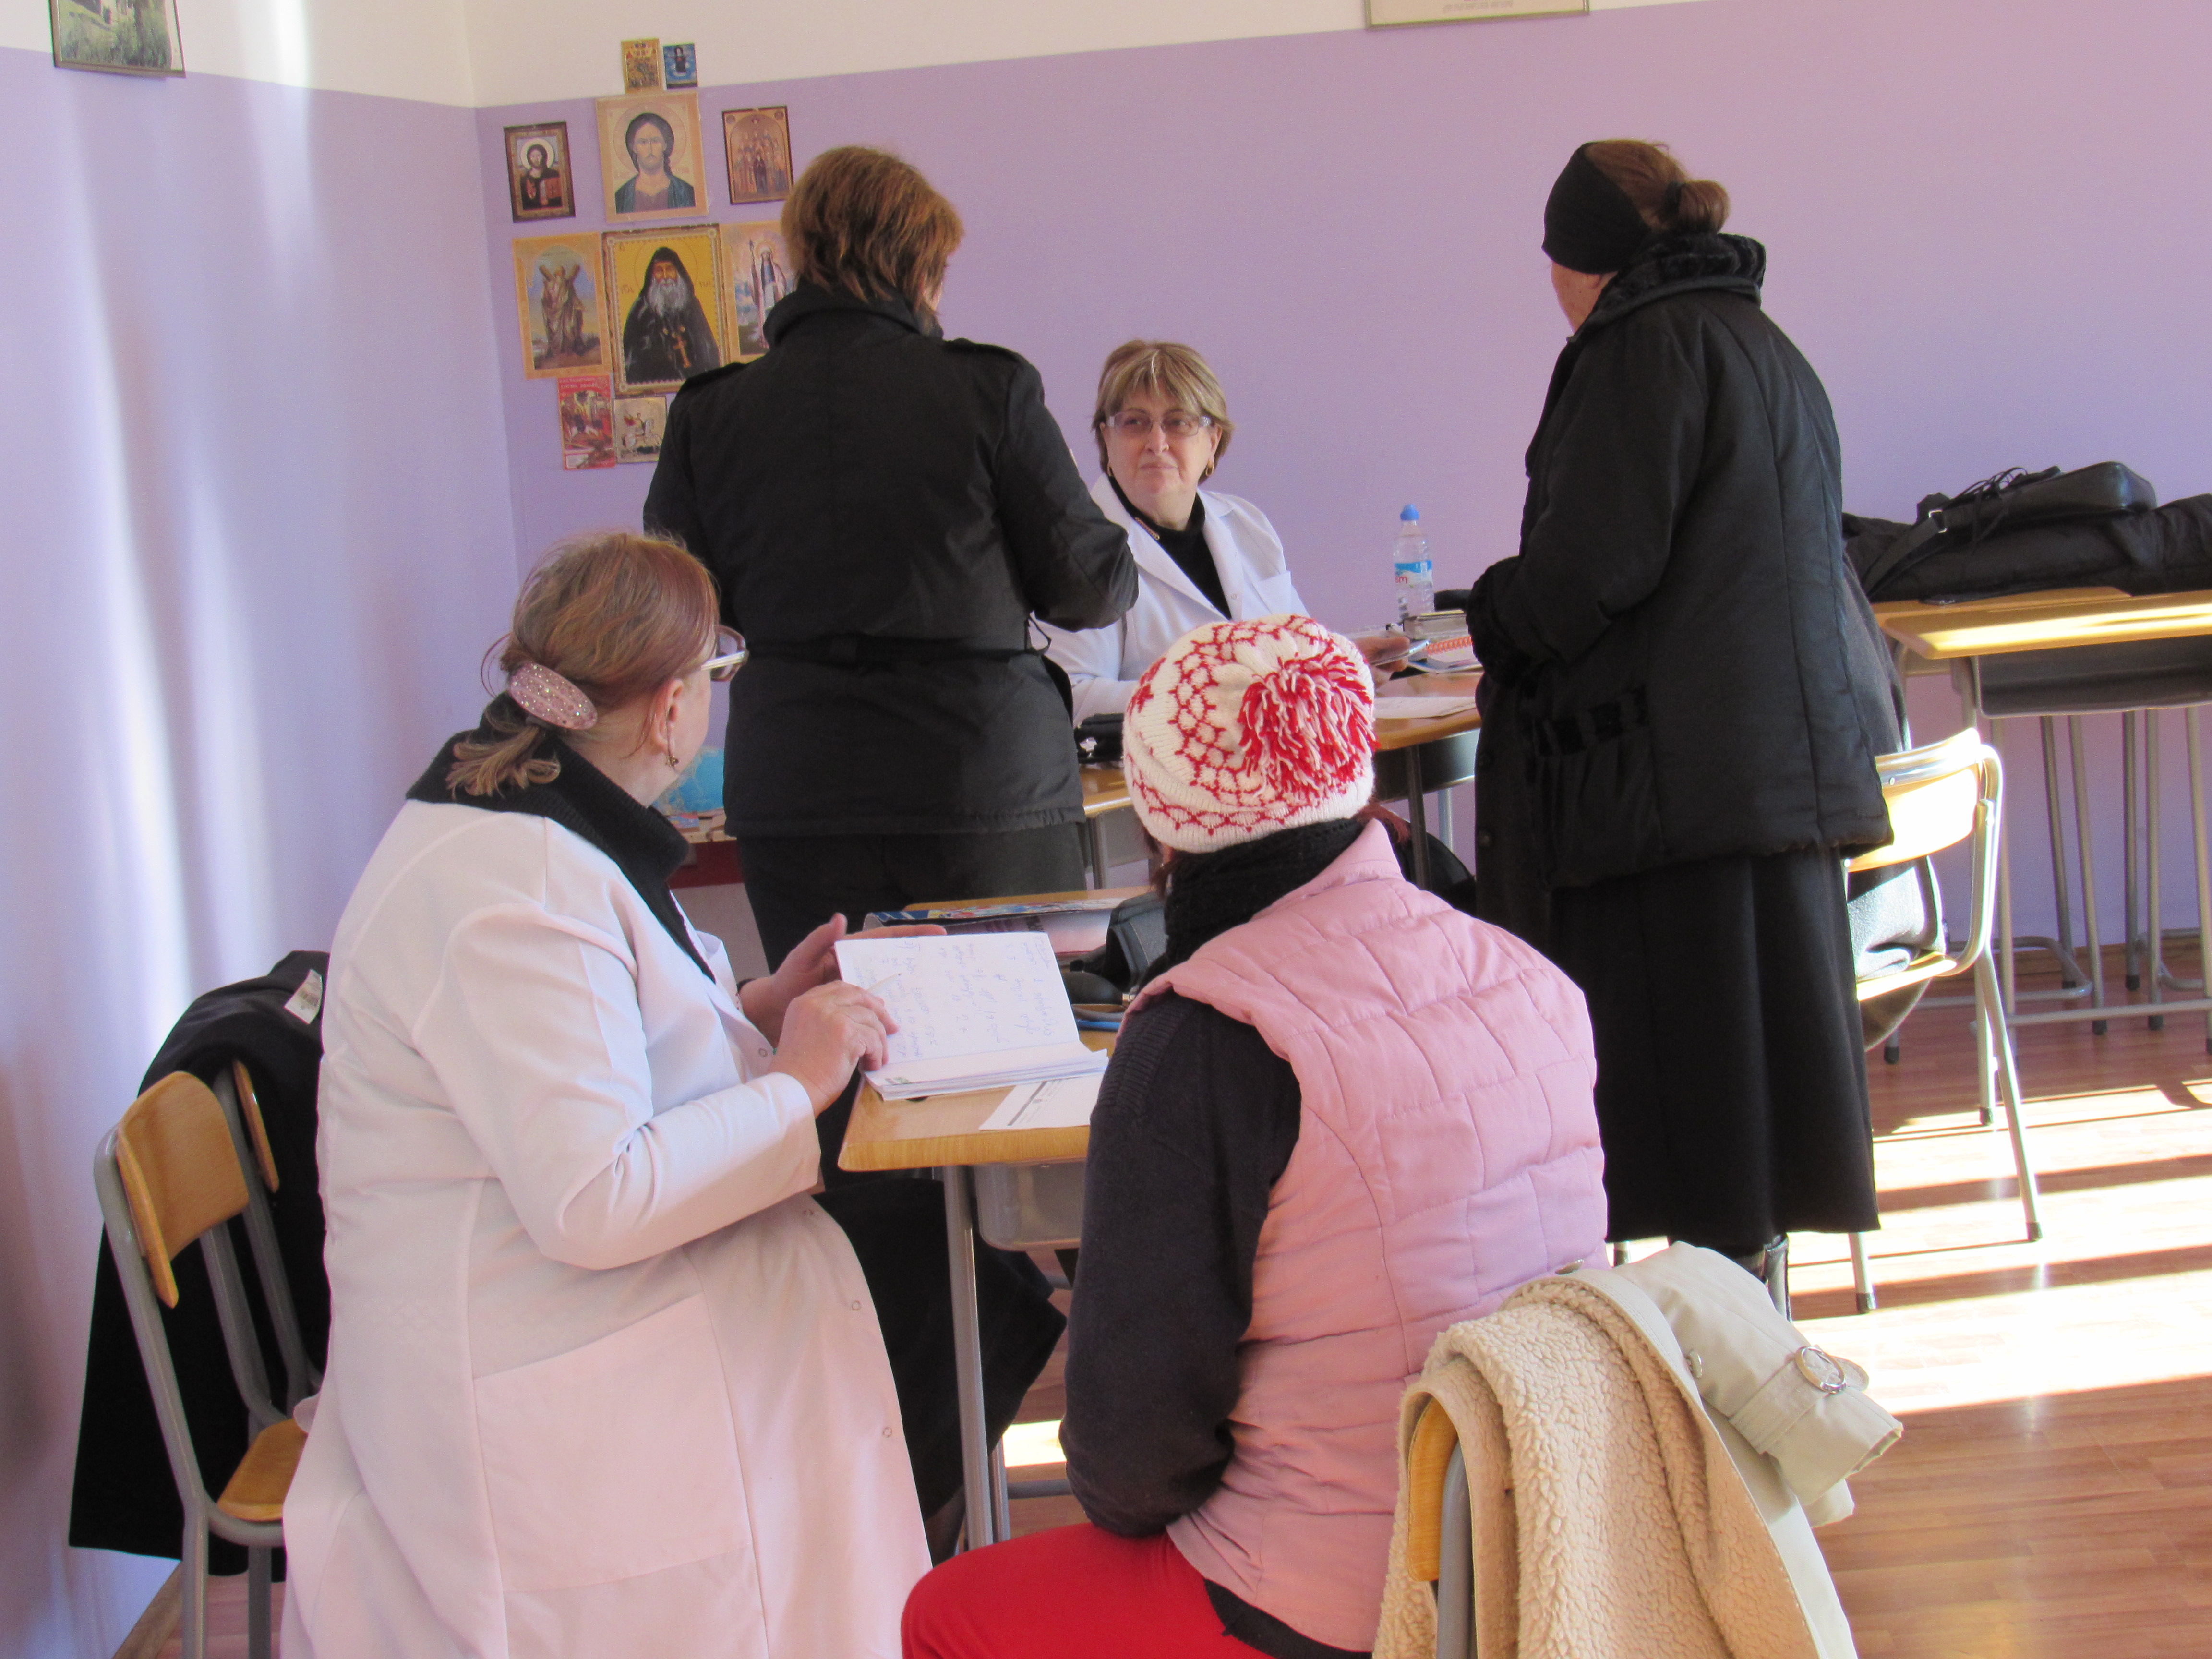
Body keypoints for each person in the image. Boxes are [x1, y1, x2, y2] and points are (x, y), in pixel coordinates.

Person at [901, 616, 1609, 1659]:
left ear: (1159, 823)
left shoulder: (1204, 1036)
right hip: (1542, 1546)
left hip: (1344, 1598)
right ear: (1355, 775)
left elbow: (1130, 1467)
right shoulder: (1524, 973)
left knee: (945, 1613)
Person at [281, 533, 930, 1658]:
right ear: (675, 706)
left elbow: (602, 1046)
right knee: (913, 1286)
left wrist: (756, 1009)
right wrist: (797, 1081)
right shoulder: (510, 887)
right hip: (530, 1381)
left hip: (554, 1303)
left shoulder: (543, 818)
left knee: (915, 1274)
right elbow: (593, 1196)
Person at [644, 144, 1136, 1551]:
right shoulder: (987, 390)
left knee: (854, 1104)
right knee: (1012, 1089)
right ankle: (1019, 1356)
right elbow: (1089, 581)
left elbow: (688, 598)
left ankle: (893, 1459)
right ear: (924, 260)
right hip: (980, 786)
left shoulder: (714, 409)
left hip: (801, 779)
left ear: (802, 253)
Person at [1463, 140, 1900, 1289]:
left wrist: (1493, 611)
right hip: (1773, 772)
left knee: (1696, 1106)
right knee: (1751, 1118)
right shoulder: (1764, 343)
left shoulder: (1637, 350)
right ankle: (1749, 1345)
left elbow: (1591, 568)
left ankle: (1698, 1364)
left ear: (1579, 261)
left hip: (1670, 795)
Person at [1040, 341, 1407, 726]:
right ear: (1107, 439)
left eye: (1178, 422)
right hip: (1154, 764)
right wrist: (1228, 696)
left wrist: (1341, 664)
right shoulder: (1076, 550)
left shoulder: (1248, 524)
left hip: (1277, 751)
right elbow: (1072, 695)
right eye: (1135, 422)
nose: (1157, 443)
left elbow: (1295, 652)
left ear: (1212, 442)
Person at [620, 246, 720, 386]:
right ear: (652, 275)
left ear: (678, 273)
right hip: (658, 381)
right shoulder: (641, 310)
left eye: (670, 269)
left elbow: (707, 346)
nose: (666, 277)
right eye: (659, 271)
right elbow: (632, 358)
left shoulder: (691, 305)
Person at [612, 109, 695, 212]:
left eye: (655, 141)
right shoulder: (621, 198)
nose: (650, 149)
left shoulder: (686, 193)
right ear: (634, 147)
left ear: (665, 145)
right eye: (643, 142)